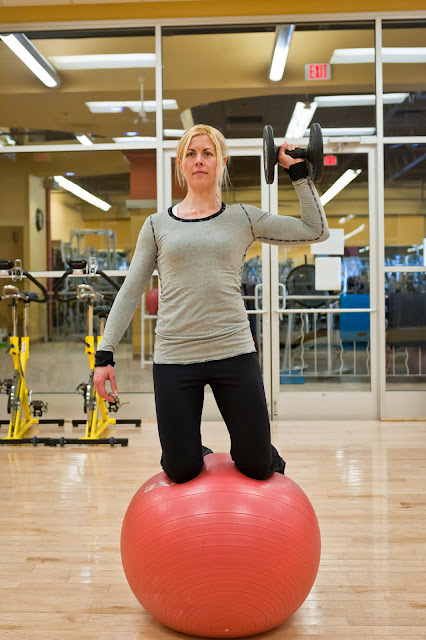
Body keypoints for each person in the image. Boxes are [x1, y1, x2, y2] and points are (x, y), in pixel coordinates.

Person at [94, 124, 329, 483]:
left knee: (256, 465)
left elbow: (316, 230)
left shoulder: (243, 218)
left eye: (207, 153)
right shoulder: (157, 225)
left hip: (232, 350)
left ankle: (253, 447)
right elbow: (130, 291)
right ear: (181, 165)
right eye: (190, 154)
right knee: (181, 468)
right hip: (175, 356)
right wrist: (105, 354)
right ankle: (185, 448)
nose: (199, 160)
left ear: (222, 162)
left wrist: (297, 172)